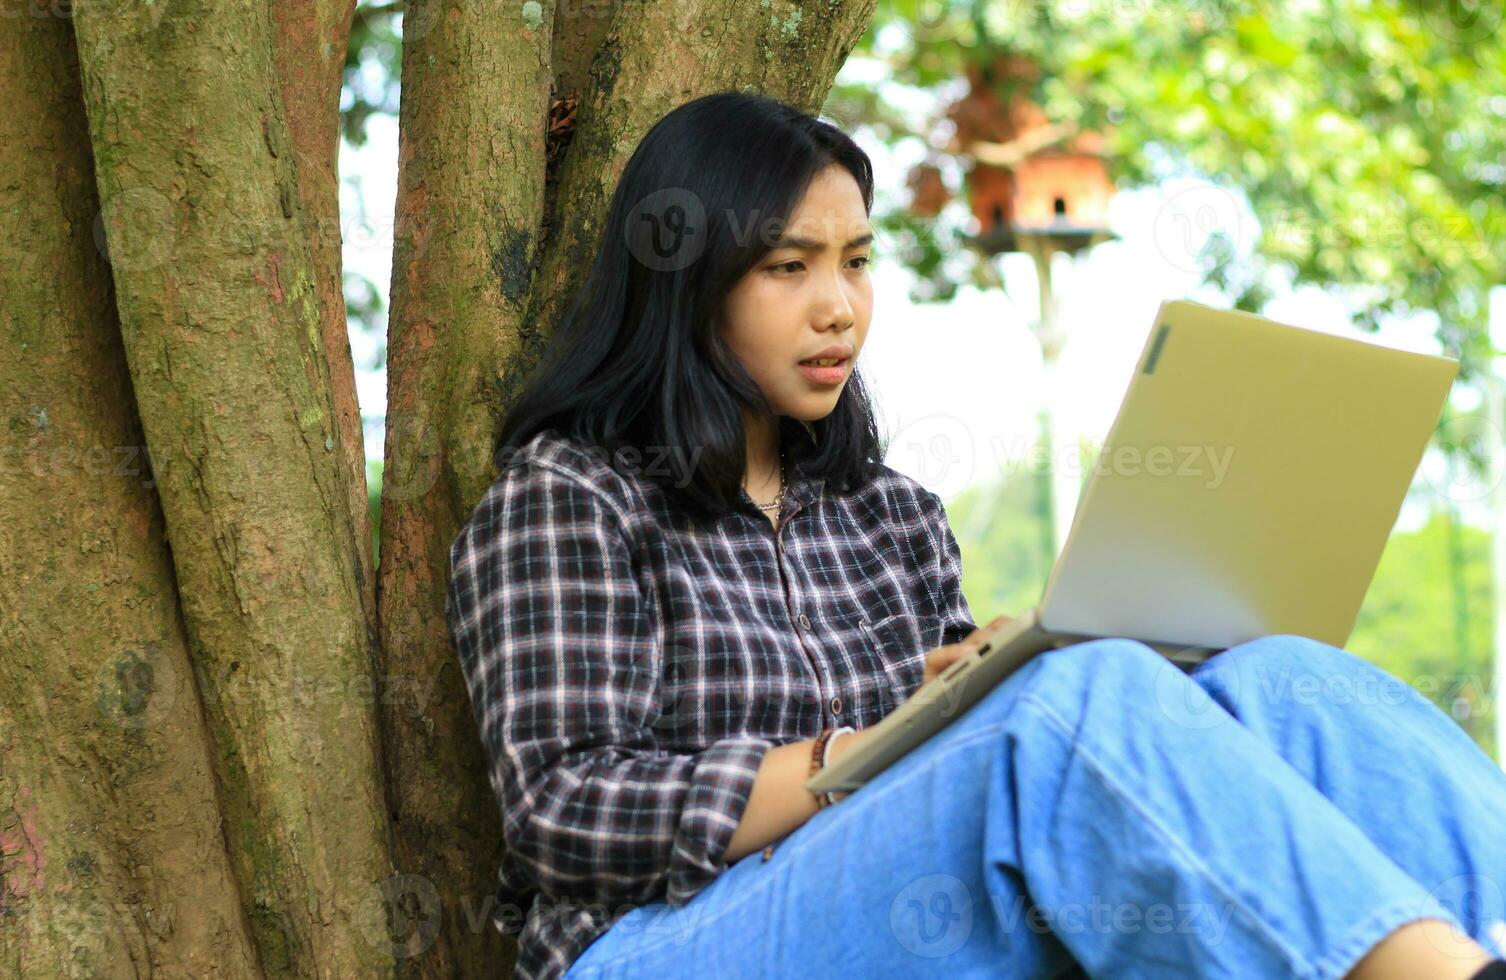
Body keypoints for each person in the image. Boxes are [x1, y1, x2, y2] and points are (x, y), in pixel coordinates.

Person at [444, 90, 1506, 980]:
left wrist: (976, 682)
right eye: (788, 267)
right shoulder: (572, 492)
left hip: (878, 903)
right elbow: (560, 805)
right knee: (1064, 712)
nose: (840, 308)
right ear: (689, 284)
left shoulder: (890, 512)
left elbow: (950, 761)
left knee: (1278, 675)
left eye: (857, 261)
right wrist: (851, 757)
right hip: (656, 943)